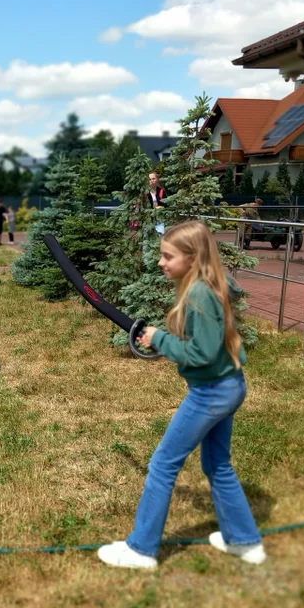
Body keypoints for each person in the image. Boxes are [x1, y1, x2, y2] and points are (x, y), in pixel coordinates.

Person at [97, 220, 265, 570]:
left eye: (167, 256)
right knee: (217, 464)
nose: (161, 262)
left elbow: (201, 353)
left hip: (210, 393)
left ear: (192, 258)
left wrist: (158, 339)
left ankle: (141, 549)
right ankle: (245, 542)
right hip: (230, 385)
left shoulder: (200, 295)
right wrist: (160, 339)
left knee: (162, 465)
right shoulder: (209, 285)